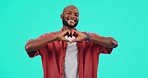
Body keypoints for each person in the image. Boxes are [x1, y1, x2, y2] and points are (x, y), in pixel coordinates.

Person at [25, 5, 118, 78]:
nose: (72, 16)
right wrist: (55, 38)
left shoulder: (88, 37)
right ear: (61, 16)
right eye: (69, 13)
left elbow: (113, 43)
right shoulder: (49, 37)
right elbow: (28, 47)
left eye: (76, 14)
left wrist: (87, 38)